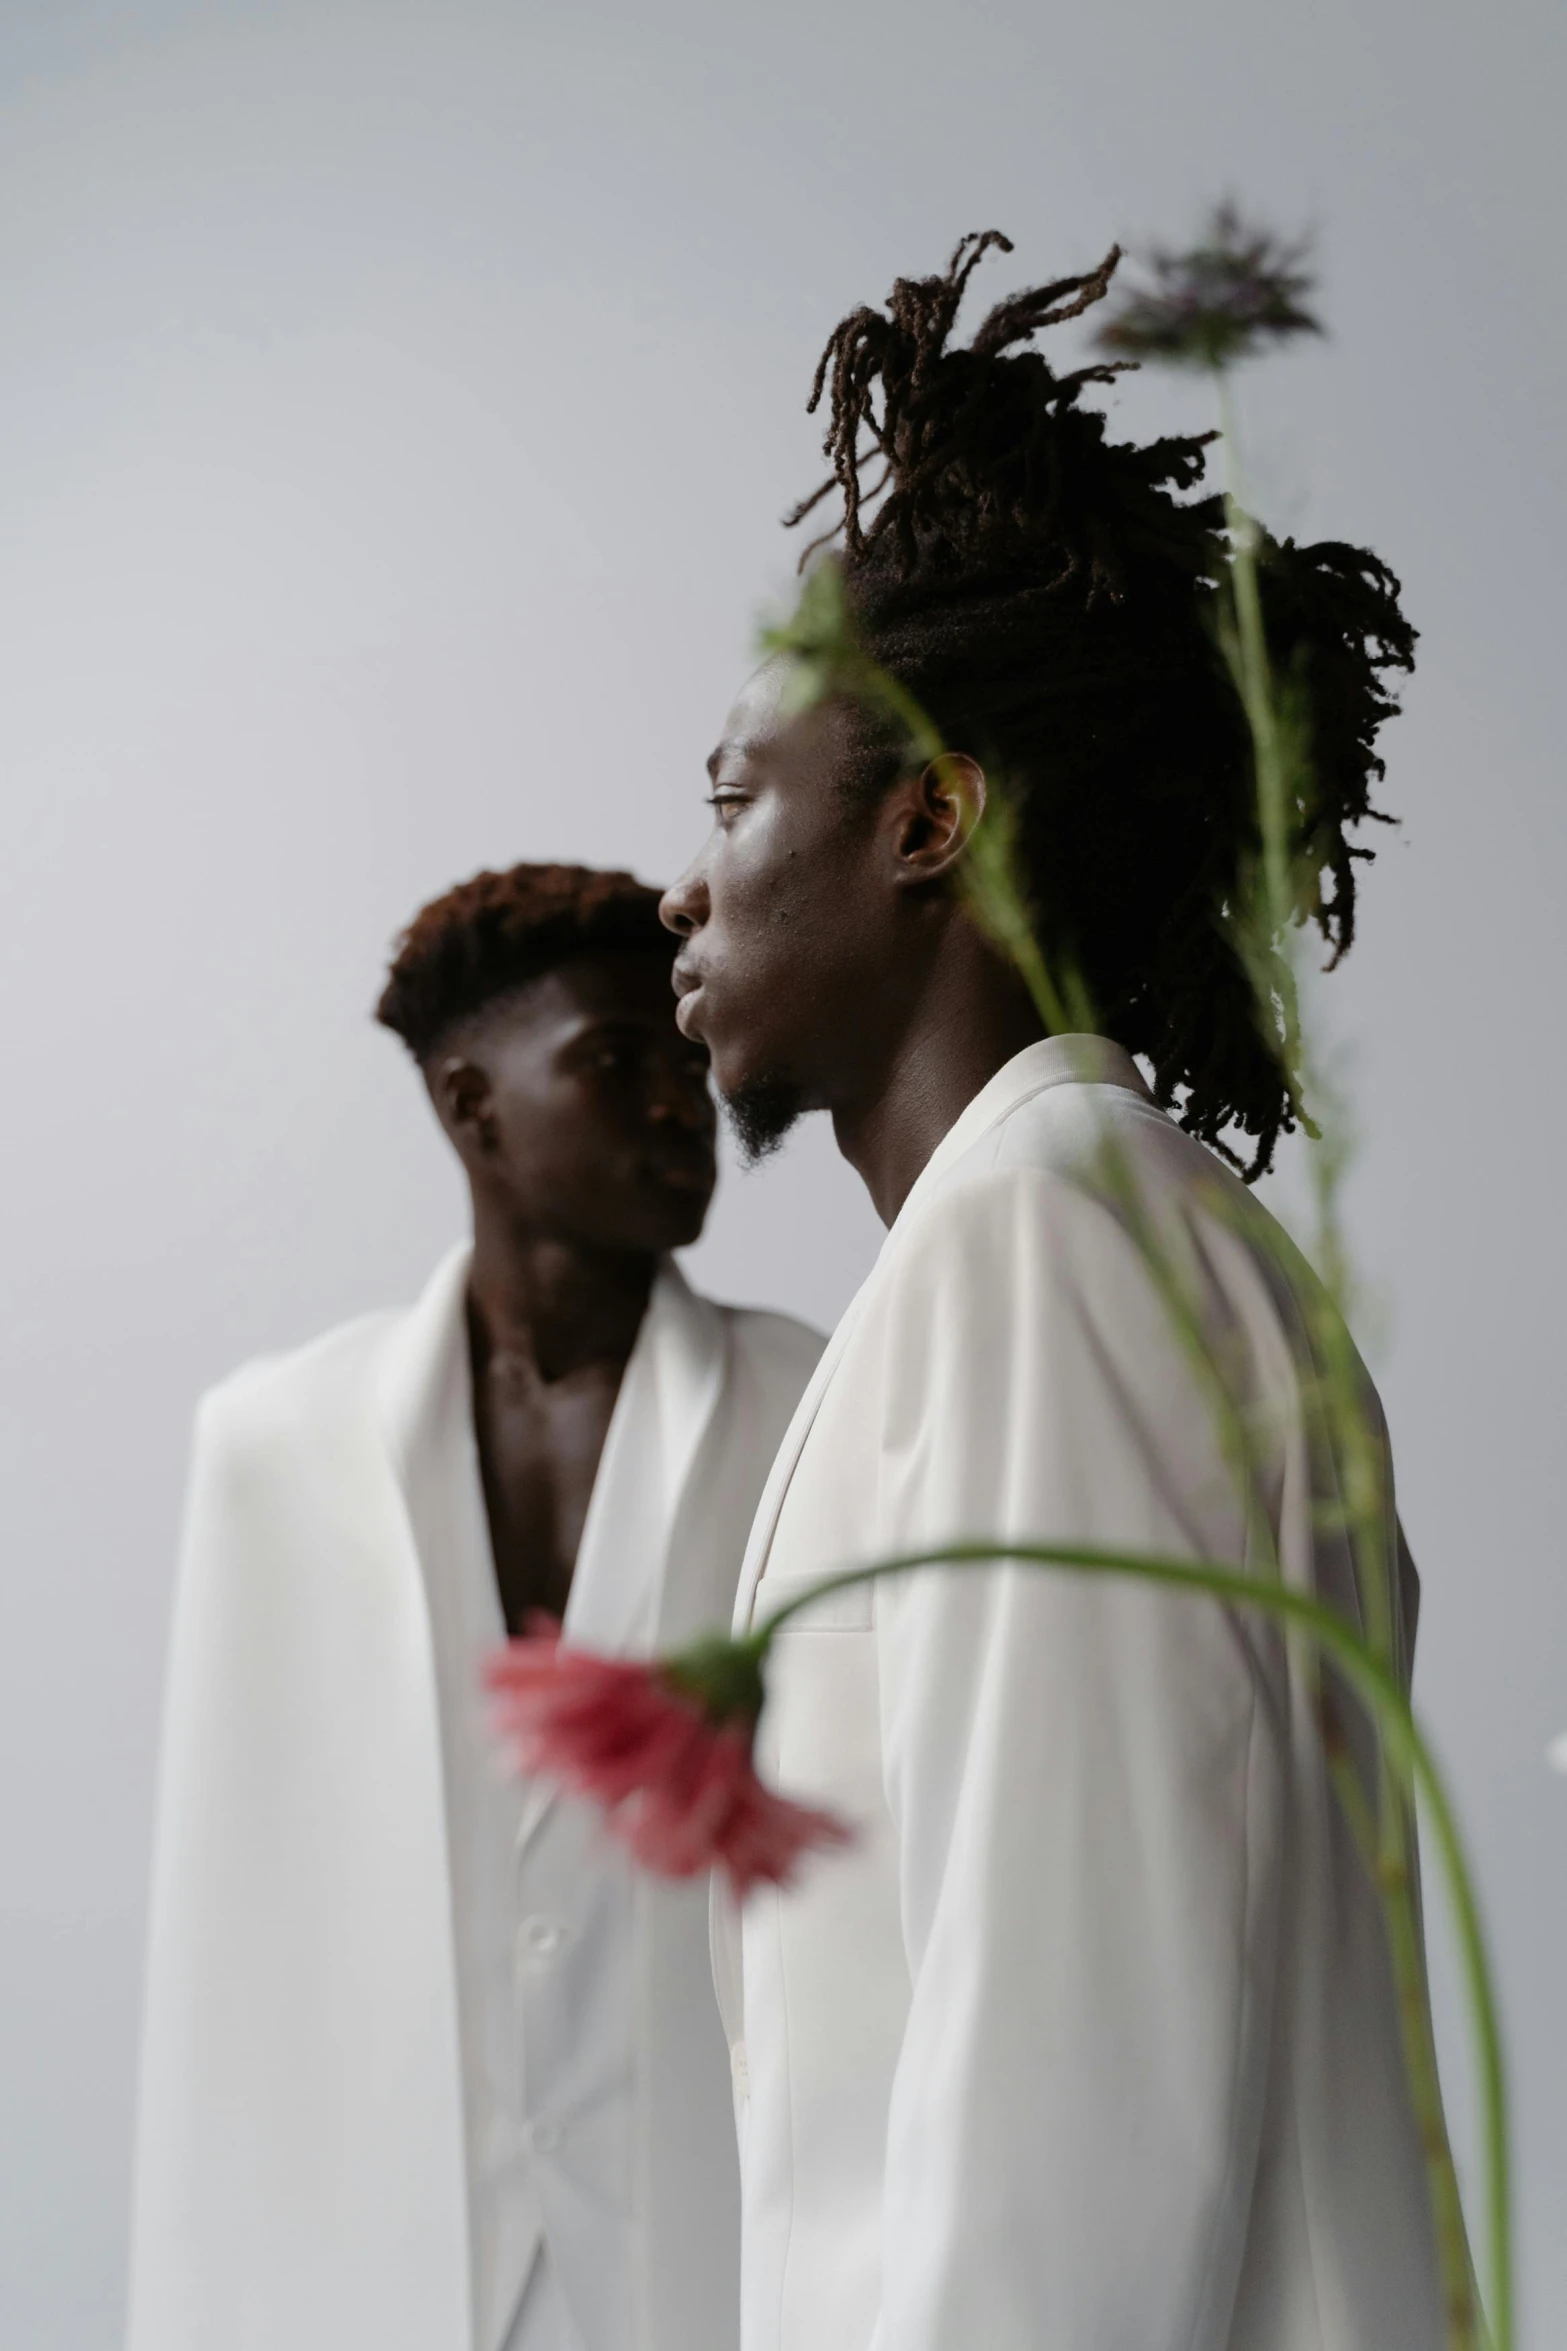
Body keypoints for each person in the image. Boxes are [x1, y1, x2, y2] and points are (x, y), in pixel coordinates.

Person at [659, 237, 1444, 2350]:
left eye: (734, 794)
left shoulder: (1045, 1247)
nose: (684, 880)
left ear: (928, 820)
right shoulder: (1136, 1239)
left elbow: (1072, 2110)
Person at [127, 863, 823, 2351]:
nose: (676, 1108)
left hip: (717, 2262)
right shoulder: (270, 1442)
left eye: (686, 1064)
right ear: (469, 1107)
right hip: (375, 2265)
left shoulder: (814, 1408)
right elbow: (226, 1940)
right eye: (614, 1064)